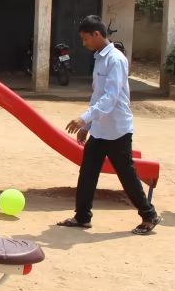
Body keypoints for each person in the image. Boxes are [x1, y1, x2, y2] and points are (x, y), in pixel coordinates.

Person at [58, 15, 161, 235]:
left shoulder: (116, 59)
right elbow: (98, 96)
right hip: (100, 129)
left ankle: (149, 215)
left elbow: (111, 97)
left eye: (86, 39)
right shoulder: (99, 58)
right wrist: (87, 127)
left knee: (126, 174)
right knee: (87, 172)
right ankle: (82, 216)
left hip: (117, 129)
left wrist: (84, 118)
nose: (84, 44)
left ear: (97, 34)